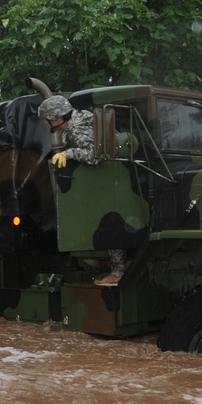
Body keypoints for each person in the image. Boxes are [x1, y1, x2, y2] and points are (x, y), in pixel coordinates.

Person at [38, 95, 127, 287]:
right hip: (114, 182)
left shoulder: (76, 128)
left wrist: (69, 153)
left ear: (57, 118)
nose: (46, 124)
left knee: (110, 224)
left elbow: (96, 156)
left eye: (47, 120)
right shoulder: (81, 118)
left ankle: (118, 272)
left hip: (109, 182)